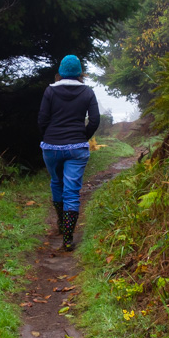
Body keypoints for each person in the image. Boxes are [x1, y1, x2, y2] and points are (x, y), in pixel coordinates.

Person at [37, 55, 100, 251]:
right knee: (72, 191)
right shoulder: (88, 92)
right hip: (77, 148)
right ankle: (67, 239)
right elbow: (95, 120)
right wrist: (83, 136)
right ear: (79, 72)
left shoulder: (50, 91)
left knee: (56, 182)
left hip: (51, 148)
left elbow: (42, 120)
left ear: (61, 71)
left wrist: (50, 136)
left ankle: (61, 221)